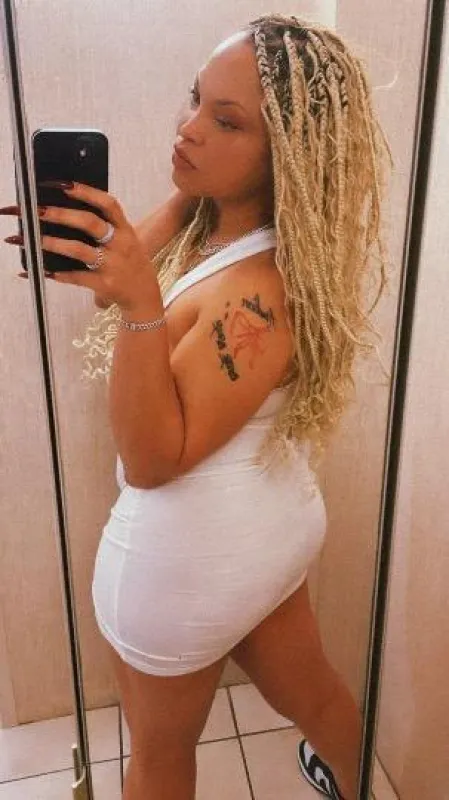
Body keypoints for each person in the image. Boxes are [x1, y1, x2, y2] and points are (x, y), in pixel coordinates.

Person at [5, 13, 393, 800]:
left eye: (226, 121)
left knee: (157, 757)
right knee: (317, 697)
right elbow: (117, 286)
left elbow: (152, 460)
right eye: (195, 99)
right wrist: (138, 234)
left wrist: (140, 304)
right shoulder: (218, 223)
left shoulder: (259, 295)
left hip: (189, 565)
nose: (187, 128)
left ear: (285, 154)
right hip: (265, 533)